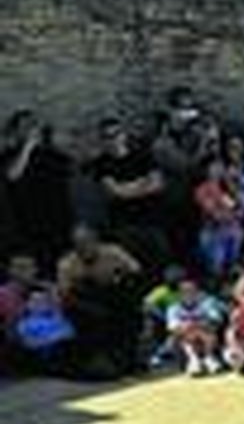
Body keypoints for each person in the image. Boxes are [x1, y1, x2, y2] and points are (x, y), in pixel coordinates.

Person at [56, 225, 143, 379]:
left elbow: (136, 270)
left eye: (87, 241)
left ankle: (130, 357)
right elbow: (65, 293)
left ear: (96, 241)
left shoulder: (113, 252)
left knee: (128, 308)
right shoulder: (67, 263)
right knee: (89, 314)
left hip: (114, 296)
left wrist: (119, 275)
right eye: (79, 243)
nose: (84, 246)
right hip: (86, 305)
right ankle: (100, 360)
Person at [90, 118, 169, 273]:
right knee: (133, 267)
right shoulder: (102, 164)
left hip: (152, 219)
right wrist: (142, 182)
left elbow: (158, 184)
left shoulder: (142, 155)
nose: (113, 140)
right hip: (124, 224)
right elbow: (115, 192)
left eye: (116, 134)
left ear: (124, 135)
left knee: (160, 262)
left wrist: (127, 187)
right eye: (107, 137)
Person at [4, 111, 76, 269]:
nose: (29, 130)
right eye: (24, 127)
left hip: (56, 221)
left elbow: (71, 166)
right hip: (28, 223)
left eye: (32, 125)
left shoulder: (50, 153)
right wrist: (27, 148)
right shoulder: (9, 154)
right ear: (15, 131)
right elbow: (12, 175)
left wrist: (53, 142)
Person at [194, 157, 244, 282]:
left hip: (232, 231)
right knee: (216, 267)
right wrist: (233, 214)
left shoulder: (226, 188)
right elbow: (214, 214)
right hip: (213, 234)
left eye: (220, 168)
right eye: (214, 168)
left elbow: (241, 206)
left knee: (232, 263)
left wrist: (231, 186)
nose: (218, 170)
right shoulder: (202, 190)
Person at [165, 276, 228, 376]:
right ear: (179, 294)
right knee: (182, 335)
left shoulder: (207, 303)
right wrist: (187, 327)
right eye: (184, 291)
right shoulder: (173, 308)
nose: (188, 294)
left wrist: (197, 325)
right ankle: (194, 361)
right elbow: (171, 326)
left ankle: (209, 358)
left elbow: (216, 319)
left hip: (206, 338)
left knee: (207, 332)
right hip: (185, 342)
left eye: (191, 290)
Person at [13, 286, 78, 378]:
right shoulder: (25, 323)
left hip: (61, 352)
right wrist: (52, 338)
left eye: (43, 301)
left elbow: (70, 332)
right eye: (35, 301)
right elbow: (29, 343)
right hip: (39, 357)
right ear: (28, 304)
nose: (39, 304)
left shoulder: (56, 318)